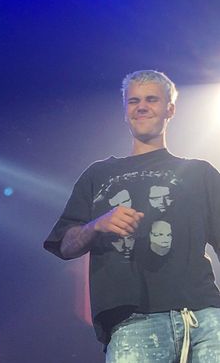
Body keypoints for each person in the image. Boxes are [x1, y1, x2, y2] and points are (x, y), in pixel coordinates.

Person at [44, 70, 220, 363]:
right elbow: (65, 245)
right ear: (125, 112)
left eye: (151, 99)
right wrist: (97, 225)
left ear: (170, 109)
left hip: (206, 318)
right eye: (133, 101)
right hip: (132, 323)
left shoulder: (200, 173)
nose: (141, 106)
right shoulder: (97, 174)